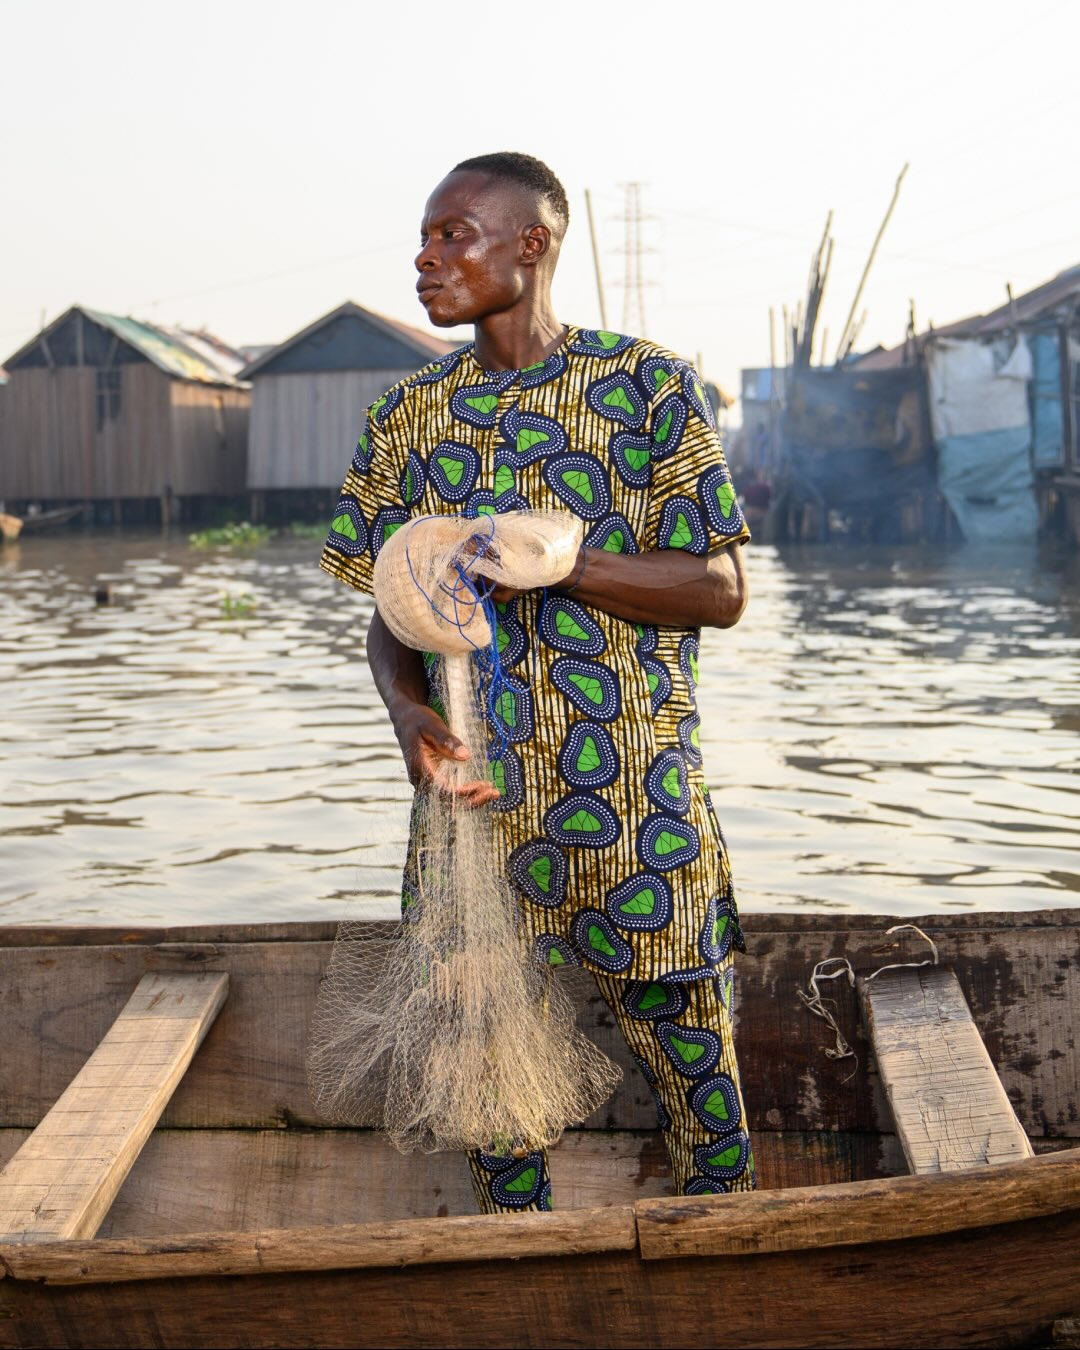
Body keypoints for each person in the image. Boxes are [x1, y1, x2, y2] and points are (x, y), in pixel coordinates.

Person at [320, 151, 755, 1212]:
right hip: (472, 805)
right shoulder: (408, 416)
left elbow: (719, 589)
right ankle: (519, 1259)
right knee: (483, 1066)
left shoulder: (648, 386)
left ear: (532, 243)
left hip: (633, 797)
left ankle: (730, 1236)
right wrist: (407, 712)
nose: (426, 259)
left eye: (454, 235)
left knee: (691, 1049)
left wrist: (560, 561)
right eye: (424, 239)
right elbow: (390, 610)